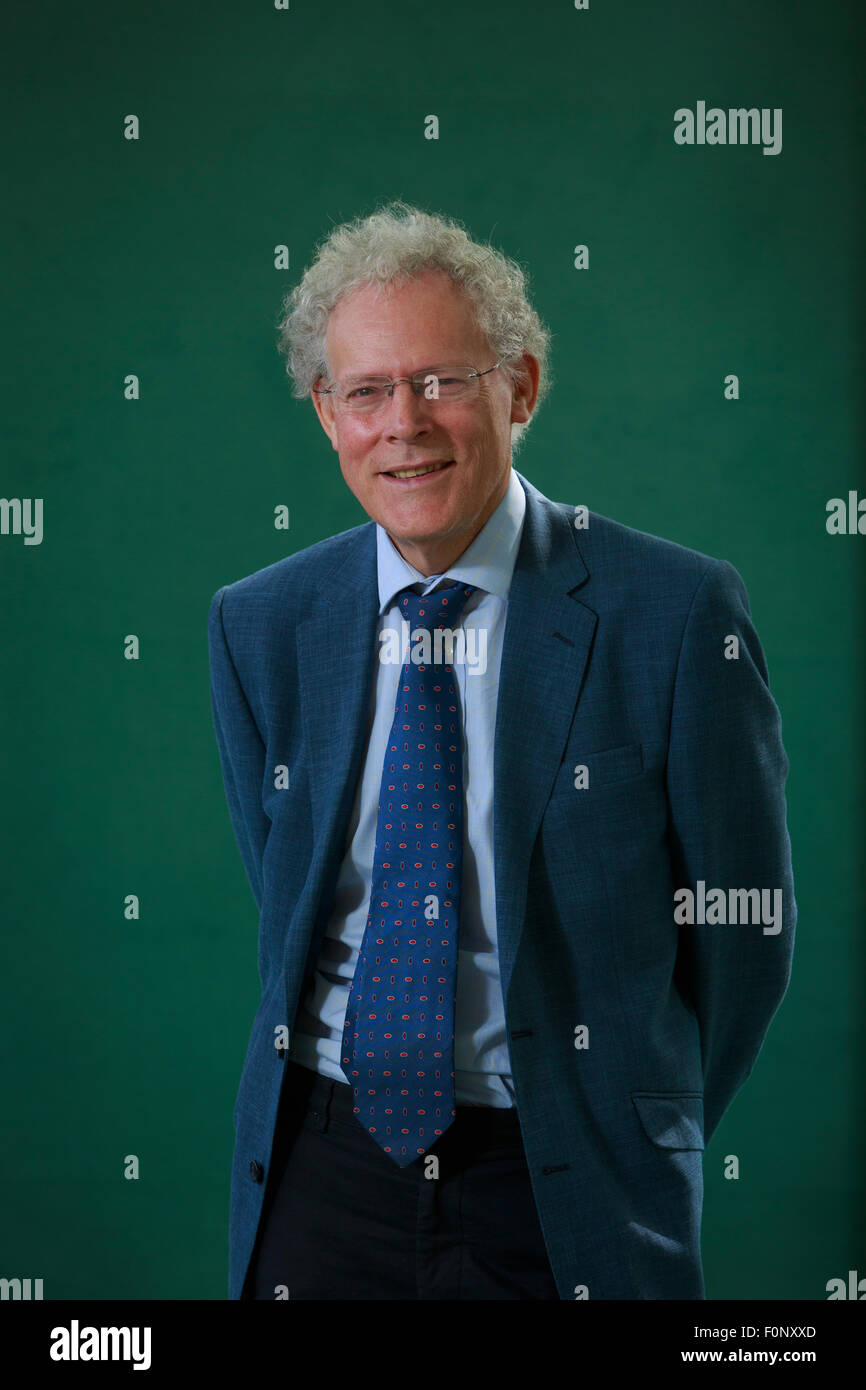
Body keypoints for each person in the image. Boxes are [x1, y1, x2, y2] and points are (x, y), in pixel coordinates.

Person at [207, 200, 796, 1300]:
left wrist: (629, 1113)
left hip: (564, 1177)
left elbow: (740, 939)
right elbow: (284, 897)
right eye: (366, 391)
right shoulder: (261, 624)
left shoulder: (670, 614)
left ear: (518, 386)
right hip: (322, 1171)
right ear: (327, 416)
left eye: (442, 380)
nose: (404, 423)